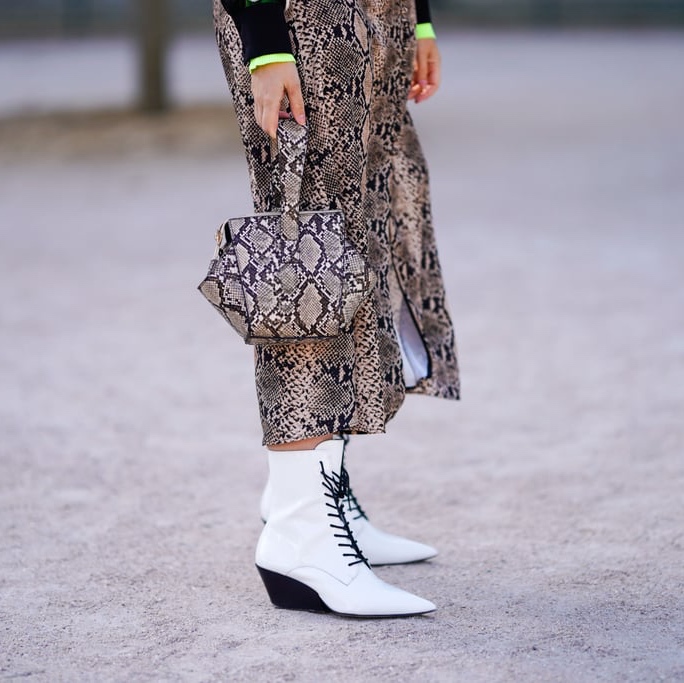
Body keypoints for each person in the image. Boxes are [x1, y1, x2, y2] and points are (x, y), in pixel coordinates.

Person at [213, 0, 460, 617]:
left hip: (383, 16)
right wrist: (265, 40)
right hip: (300, 19)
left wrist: (419, 18)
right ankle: (300, 531)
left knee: (364, 238)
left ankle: (324, 502)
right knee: (307, 258)